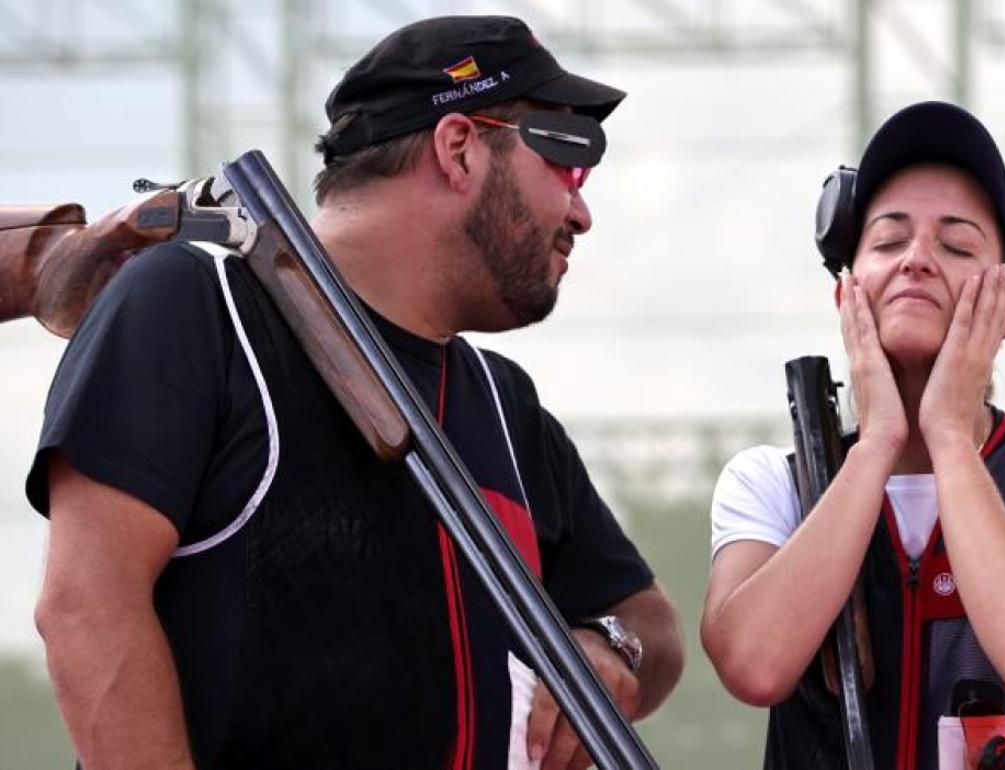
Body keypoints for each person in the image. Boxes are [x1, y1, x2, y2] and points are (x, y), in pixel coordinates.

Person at [29, 15, 683, 770]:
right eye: (567, 161)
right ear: (459, 148)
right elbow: (86, 608)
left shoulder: (505, 406)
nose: (582, 210)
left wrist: (608, 646)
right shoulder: (194, 304)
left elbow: (653, 623)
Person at [700, 101, 1005, 770]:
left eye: (957, 244)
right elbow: (752, 664)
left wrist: (948, 436)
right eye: (887, 241)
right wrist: (876, 442)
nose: (917, 260)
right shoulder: (772, 482)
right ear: (847, 294)